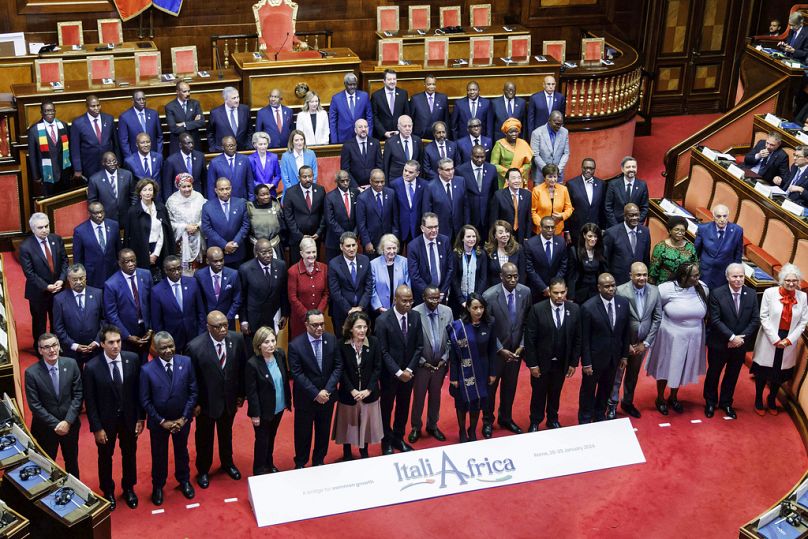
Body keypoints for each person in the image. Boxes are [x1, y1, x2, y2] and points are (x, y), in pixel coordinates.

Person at [82, 325, 144, 510]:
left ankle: (129, 488)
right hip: (105, 423)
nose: (116, 346)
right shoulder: (92, 367)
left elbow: (139, 392)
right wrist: (97, 428)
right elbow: (90, 401)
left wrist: (141, 418)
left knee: (129, 454)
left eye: (118, 341)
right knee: (105, 457)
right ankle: (108, 491)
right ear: (102, 344)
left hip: (129, 420)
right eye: (111, 342)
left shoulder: (132, 359)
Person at [186, 311, 246, 489]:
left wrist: (241, 394)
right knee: (204, 438)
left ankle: (227, 463)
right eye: (217, 326)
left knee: (226, 434)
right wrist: (194, 403)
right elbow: (191, 379)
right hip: (206, 403)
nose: (222, 329)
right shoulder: (195, 347)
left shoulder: (237, 340)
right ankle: (203, 470)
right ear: (208, 327)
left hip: (229, 399)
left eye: (225, 325)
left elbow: (241, 368)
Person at [139, 331, 197, 506]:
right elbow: (145, 400)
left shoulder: (186, 362)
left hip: (182, 420)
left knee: (182, 451)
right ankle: (158, 486)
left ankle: (184, 480)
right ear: (156, 349)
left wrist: (184, 418)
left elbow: (193, 392)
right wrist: (162, 421)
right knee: (159, 456)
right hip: (159, 423)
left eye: (171, 346)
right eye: (163, 347)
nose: (168, 350)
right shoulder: (147, 369)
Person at [645, 262, 709, 415]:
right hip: (670, 336)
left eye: (698, 274)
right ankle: (660, 398)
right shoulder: (666, 289)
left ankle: (673, 397)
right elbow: (654, 309)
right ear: (683, 276)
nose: (697, 278)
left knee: (681, 367)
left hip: (693, 336)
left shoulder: (702, 288)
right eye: (694, 275)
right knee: (666, 367)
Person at [751, 264, 808, 416]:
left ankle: (771, 398)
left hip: (789, 340)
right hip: (770, 338)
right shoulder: (770, 293)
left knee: (779, 373)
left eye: (794, 281)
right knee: (764, 371)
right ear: (782, 280)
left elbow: (803, 322)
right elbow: (763, 317)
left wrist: (789, 340)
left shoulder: (803, 297)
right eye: (788, 280)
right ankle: (758, 399)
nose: (791, 283)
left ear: (798, 281)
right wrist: (775, 339)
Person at [705, 263, 760, 419]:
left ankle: (726, 403)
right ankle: (710, 402)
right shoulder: (717, 293)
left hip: (740, 345)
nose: (738, 279)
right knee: (714, 373)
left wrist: (739, 339)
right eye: (735, 276)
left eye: (741, 276)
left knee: (732, 375)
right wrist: (731, 337)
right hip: (719, 343)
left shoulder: (751, 293)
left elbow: (755, 320)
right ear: (727, 277)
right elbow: (715, 320)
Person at [524, 278, 581, 430]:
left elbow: (577, 338)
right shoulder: (537, 309)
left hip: (561, 362)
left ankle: (552, 419)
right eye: (555, 293)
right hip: (541, 363)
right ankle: (535, 421)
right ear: (549, 292)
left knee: (555, 392)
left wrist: (573, 363)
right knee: (538, 394)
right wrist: (533, 364)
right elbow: (530, 339)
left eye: (562, 292)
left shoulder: (574, 309)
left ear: (566, 291)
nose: (559, 296)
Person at [288, 309, 342, 468]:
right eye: (315, 325)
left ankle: (319, 460)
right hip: (306, 399)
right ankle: (300, 462)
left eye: (322, 324)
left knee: (323, 432)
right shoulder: (295, 345)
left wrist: (327, 390)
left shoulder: (331, 340)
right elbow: (297, 373)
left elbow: (338, 366)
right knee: (303, 434)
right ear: (306, 325)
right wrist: (315, 393)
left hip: (327, 396)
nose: (319, 328)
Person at [482, 262, 531, 435]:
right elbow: (485, 328)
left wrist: (522, 345)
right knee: (490, 389)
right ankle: (487, 421)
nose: (513, 279)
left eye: (516, 276)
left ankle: (506, 418)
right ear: (501, 277)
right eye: (509, 276)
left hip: (515, 351)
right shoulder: (489, 296)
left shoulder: (525, 292)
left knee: (510, 387)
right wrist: (499, 348)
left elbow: (526, 322)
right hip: (496, 352)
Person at [25, 333, 82, 477]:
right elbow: (35, 405)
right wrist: (57, 424)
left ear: (59, 346)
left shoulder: (71, 364)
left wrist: (67, 422)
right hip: (46, 428)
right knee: (46, 465)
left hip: (70, 425)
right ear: (40, 350)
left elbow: (78, 395)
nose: (52, 350)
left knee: (72, 462)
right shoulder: (31, 373)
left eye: (54, 345)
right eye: (47, 347)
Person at [609, 262, 662, 419]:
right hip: (624, 344)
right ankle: (611, 404)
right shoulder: (620, 290)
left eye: (645, 274)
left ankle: (628, 402)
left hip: (642, 344)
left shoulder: (654, 291)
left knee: (633, 375)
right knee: (617, 375)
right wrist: (625, 346)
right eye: (638, 275)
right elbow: (616, 320)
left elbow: (657, 318)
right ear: (630, 275)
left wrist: (646, 343)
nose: (642, 278)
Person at [376, 285, 423, 453]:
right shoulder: (382, 320)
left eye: (411, 300)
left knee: (403, 406)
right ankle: (386, 441)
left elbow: (419, 346)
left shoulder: (416, 317)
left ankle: (398, 437)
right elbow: (383, 351)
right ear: (395, 300)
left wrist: (409, 370)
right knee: (386, 408)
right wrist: (398, 372)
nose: (408, 304)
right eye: (404, 301)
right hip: (390, 375)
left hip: (409, 374)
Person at [579, 273, 630, 423]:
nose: (611, 289)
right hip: (594, 359)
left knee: (606, 388)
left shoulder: (623, 303)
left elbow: (626, 332)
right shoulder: (588, 307)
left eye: (613, 285)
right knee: (588, 390)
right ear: (599, 287)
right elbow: (585, 338)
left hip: (614, 357)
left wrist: (625, 356)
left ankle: (600, 414)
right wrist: (586, 362)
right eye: (607, 286)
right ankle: (585, 417)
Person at [334, 311, 384, 460]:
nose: (362, 330)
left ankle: (364, 451)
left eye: (365, 327)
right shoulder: (341, 344)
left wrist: (369, 389)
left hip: (369, 394)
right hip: (349, 394)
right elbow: (340, 370)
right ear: (350, 329)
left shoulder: (374, 342)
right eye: (358, 327)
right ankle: (347, 452)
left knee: (366, 425)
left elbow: (377, 368)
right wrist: (352, 389)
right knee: (348, 426)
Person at [447, 293, 498, 442]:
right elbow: (454, 355)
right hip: (463, 371)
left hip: (482, 369)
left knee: (477, 402)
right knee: (462, 404)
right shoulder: (459, 327)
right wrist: (454, 377)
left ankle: (473, 430)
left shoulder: (490, 323)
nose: (479, 311)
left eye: (481, 307)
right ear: (468, 308)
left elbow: (492, 349)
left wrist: (493, 372)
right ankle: (462, 431)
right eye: (475, 307)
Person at [409, 286, 452, 443]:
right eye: (431, 298)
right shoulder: (414, 312)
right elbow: (411, 342)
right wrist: (422, 362)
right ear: (423, 297)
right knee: (419, 397)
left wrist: (445, 358)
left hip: (440, 364)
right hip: (422, 366)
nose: (435, 301)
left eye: (437, 298)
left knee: (436, 396)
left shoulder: (447, 311)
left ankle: (432, 425)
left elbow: (450, 338)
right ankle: (416, 427)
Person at [245, 326, 290, 475]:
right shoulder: (253, 363)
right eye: (266, 342)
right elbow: (252, 393)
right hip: (263, 411)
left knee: (272, 437)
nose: (271, 344)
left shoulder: (279, 355)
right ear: (259, 345)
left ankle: (269, 464)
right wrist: (255, 414)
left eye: (273, 340)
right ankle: (258, 470)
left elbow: (284, 380)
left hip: (279, 406)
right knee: (262, 440)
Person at [20, 212, 68, 344]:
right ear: (33, 229)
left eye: (46, 226)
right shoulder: (26, 247)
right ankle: (40, 348)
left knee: (57, 320)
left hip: (58, 289)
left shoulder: (56, 239)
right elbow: (29, 273)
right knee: (40, 323)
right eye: (40, 228)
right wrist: (46, 286)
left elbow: (64, 261)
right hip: (38, 292)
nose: (45, 230)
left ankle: (57, 345)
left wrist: (62, 279)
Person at [103, 249, 153, 361]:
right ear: (120, 263)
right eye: (126, 262)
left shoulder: (146, 275)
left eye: (133, 260)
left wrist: (150, 329)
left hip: (146, 331)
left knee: (145, 362)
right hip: (126, 334)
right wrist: (128, 336)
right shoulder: (111, 284)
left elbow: (152, 303)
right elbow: (111, 315)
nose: (131, 264)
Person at [150, 256, 205, 353]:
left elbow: (201, 311)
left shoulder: (192, 283)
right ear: (166, 271)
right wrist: (164, 341)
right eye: (172, 270)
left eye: (179, 268)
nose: (176, 272)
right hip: (172, 340)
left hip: (194, 335)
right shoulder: (157, 291)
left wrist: (201, 333)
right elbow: (157, 322)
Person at [52, 264, 103, 365]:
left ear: (85, 277)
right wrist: (74, 345)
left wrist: (97, 341)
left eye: (81, 278)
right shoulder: (59, 299)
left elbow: (105, 320)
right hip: (72, 352)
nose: (79, 282)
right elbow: (58, 327)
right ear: (68, 279)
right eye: (75, 279)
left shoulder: (98, 294)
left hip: (95, 348)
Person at [239, 238, 289, 337]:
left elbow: (283, 292)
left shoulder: (281, 265)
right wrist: (243, 320)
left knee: (271, 348)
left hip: (273, 317)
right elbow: (242, 297)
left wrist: (284, 313)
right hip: (254, 319)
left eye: (270, 251)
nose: (268, 255)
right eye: (264, 253)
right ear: (256, 253)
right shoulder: (245, 269)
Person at [123, 178, 174, 273]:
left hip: (160, 248)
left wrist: (156, 253)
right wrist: (147, 254)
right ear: (140, 193)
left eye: (150, 190)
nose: (148, 193)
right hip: (141, 251)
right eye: (144, 190)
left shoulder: (161, 208)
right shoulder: (133, 211)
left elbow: (164, 233)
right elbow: (131, 238)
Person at [328, 232, 372, 336]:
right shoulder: (334, 264)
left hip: (363, 311)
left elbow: (369, 286)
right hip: (342, 312)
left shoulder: (365, 260)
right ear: (341, 247)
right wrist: (349, 309)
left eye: (354, 245)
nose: (351, 249)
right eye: (348, 246)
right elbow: (335, 292)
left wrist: (360, 307)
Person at [200, 178, 250, 268]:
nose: (225, 192)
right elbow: (207, 228)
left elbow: (245, 225)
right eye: (221, 189)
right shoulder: (207, 206)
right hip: (217, 252)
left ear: (231, 188)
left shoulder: (241, 203)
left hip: (237, 251)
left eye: (227, 188)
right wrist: (224, 245)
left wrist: (235, 243)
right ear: (216, 190)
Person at [283, 165, 326, 266]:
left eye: (310, 176)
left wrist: (319, 232)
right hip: (297, 238)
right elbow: (288, 217)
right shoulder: (290, 192)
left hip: (315, 237)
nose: (308, 179)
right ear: (299, 177)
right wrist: (300, 236)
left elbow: (324, 213)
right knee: (297, 266)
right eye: (304, 177)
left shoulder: (320, 190)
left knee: (314, 265)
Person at [694, 204, 745, 290]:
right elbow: (695, 252)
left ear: (728, 216)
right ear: (713, 217)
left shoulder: (737, 230)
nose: (722, 219)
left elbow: (738, 255)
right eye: (718, 216)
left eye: (724, 216)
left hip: (723, 274)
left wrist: (735, 274)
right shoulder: (703, 229)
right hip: (705, 272)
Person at [27, 100, 72, 196]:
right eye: (46, 111)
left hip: (63, 173)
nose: (50, 113)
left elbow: (69, 149)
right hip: (46, 174)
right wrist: (36, 176)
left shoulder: (63, 126)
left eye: (52, 110)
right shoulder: (34, 130)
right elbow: (33, 156)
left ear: (55, 111)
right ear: (41, 112)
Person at [72, 201, 121, 289]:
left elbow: (119, 250)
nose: (99, 215)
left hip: (113, 273)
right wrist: (81, 277)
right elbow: (78, 258)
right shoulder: (80, 231)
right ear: (89, 214)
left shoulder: (113, 225)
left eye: (101, 212)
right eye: (96, 213)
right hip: (93, 276)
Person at [407, 213, 454, 304]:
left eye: (436, 226)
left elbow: (450, 269)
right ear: (422, 228)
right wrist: (431, 294)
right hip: (423, 297)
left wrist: (442, 291)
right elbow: (415, 275)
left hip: (441, 295)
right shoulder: (413, 246)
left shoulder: (445, 241)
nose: (434, 230)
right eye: (430, 227)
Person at [288, 237, 329, 340]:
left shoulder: (324, 268)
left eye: (314, 252)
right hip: (300, 320)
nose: (312, 255)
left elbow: (326, 293)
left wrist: (318, 314)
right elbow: (292, 297)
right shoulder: (293, 271)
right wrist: (308, 316)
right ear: (302, 253)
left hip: (319, 320)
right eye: (308, 252)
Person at [166, 173, 206, 276]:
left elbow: (206, 217)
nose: (187, 189)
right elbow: (169, 223)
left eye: (189, 186)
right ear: (178, 187)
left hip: (198, 239)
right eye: (184, 186)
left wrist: (197, 226)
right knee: (185, 271)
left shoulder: (199, 197)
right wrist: (184, 227)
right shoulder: (172, 201)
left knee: (199, 270)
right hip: (181, 242)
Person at [70, 95, 117, 180]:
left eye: (98, 105)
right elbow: (75, 149)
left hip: (109, 163)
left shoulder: (109, 119)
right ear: (87, 107)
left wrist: (118, 161)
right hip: (89, 165)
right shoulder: (78, 123)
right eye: (93, 106)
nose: (96, 108)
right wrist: (77, 169)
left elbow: (115, 143)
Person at [603, 203, 651, 285]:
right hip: (618, 280)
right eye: (631, 215)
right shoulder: (611, 233)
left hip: (638, 281)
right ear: (625, 216)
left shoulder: (645, 232)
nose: (635, 218)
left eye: (637, 215)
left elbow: (646, 257)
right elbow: (605, 260)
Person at [423, 158, 469, 241]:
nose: (451, 172)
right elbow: (427, 212)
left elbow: (466, 206)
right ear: (439, 171)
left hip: (459, 230)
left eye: (452, 169)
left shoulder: (461, 181)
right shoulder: (430, 187)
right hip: (441, 231)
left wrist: (466, 227)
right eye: (447, 170)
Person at [195, 246, 241, 329]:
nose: (219, 263)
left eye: (221, 260)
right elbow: (199, 301)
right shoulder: (199, 275)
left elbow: (237, 299)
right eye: (215, 261)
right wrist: (205, 320)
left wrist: (227, 318)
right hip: (208, 322)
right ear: (207, 261)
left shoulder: (233, 274)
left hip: (228, 321)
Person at [524, 216, 567, 302]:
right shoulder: (530, 244)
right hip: (537, 289)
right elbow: (529, 268)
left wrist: (553, 286)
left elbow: (563, 265)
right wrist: (544, 288)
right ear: (540, 228)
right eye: (547, 227)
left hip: (556, 290)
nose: (550, 230)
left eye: (552, 227)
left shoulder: (561, 242)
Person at [356, 169, 396, 258]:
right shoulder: (362, 198)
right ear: (370, 181)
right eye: (377, 182)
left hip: (389, 241)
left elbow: (395, 219)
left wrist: (394, 238)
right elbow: (361, 223)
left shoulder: (391, 193)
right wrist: (367, 242)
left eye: (382, 182)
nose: (380, 184)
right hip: (372, 242)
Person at [458, 145, 498, 235]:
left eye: (482, 157)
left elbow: (495, 192)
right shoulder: (461, 170)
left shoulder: (492, 169)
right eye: (477, 157)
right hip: (470, 214)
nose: (480, 160)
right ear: (471, 156)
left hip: (487, 215)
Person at [87, 152, 136, 225]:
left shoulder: (127, 175)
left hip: (126, 217)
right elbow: (92, 201)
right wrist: (99, 215)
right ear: (103, 163)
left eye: (114, 161)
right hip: (107, 218)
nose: (112, 164)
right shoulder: (95, 180)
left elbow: (134, 195)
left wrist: (133, 211)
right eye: (109, 162)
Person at [450, 225, 489, 314]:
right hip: (458, 299)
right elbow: (454, 279)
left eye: (474, 236)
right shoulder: (456, 254)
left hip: (476, 300)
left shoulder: (481, 254)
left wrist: (476, 298)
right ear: (462, 238)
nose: (471, 239)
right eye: (468, 236)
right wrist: (461, 300)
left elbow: (483, 278)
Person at [649, 216, 698, 284]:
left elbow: (695, 267)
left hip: (682, 285)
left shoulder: (690, 247)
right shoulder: (660, 247)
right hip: (663, 284)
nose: (680, 233)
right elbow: (653, 271)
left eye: (682, 230)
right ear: (670, 230)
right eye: (676, 229)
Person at [489, 168, 532, 244]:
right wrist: (495, 235)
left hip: (521, 235)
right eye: (514, 178)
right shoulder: (499, 195)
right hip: (504, 234)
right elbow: (494, 218)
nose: (517, 180)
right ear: (507, 181)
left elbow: (528, 218)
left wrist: (527, 236)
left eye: (519, 178)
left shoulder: (527, 195)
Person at [566, 158, 606, 240]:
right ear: (581, 167)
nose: (588, 170)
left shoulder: (601, 184)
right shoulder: (571, 184)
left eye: (591, 168)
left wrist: (602, 228)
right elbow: (567, 208)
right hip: (576, 230)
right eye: (585, 168)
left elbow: (602, 208)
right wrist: (567, 231)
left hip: (595, 230)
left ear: (594, 169)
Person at [206, 135, 255, 201]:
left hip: (242, 199)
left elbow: (250, 181)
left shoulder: (244, 159)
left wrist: (251, 200)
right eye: (228, 146)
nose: (231, 147)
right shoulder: (215, 162)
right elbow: (211, 185)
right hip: (223, 200)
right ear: (222, 147)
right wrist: (213, 203)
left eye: (233, 145)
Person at [370, 234, 410, 315]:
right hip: (380, 310)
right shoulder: (374, 264)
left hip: (400, 308)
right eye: (388, 248)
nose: (392, 251)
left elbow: (408, 285)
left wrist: (404, 303)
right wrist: (378, 306)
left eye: (394, 248)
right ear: (382, 249)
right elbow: (371, 288)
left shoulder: (404, 262)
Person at [604, 156, 649, 226]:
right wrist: (616, 226)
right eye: (628, 167)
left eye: (634, 167)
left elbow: (645, 208)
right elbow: (608, 207)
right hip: (615, 225)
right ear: (622, 169)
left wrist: (637, 223)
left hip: (634, 225)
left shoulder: (642, 185)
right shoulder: (613, 184)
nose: (631, 169)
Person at [330, 72, 373, 144]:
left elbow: (369, 118)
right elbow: (332, 121)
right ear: (345, 84)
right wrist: (334, 141)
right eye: (350, 84)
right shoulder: (336, 99)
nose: (352, 87)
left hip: (361, 137)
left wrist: (369, 136)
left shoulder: (364, 96)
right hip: (343, 138)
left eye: (354, 84)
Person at [324, 170, 358, 261]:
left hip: (352, 240)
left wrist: (353, 234)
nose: (345, 183)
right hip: (334, 240)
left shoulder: (356, 193)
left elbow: (360, 216)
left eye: (347, 180)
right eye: (342, 181)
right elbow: (330, 220)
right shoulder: (329, 197)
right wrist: (345, 236)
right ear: (337, 182)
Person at [390, 160, 426, 245]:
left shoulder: (424, 185)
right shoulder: (394, 185)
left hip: (417, 228)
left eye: (410, 172)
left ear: (417, 174)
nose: (406, 173)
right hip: (400, 228)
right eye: (405, 170)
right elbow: (393, 209)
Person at [118, 90, 163, 159]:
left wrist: (159, 155)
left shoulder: (154, 114)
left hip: (153, 156)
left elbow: (159, 137)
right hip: (135, 157)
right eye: (139, 99)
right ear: (133, 100)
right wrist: (130, 160)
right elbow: (124, 142)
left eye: (144, 99)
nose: (142, 102)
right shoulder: (125, 117)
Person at [531, 164, 573, 236]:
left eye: (555, 176)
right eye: (550, 177)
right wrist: (543, 224)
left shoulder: (563, 189)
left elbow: (569, 209)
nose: (553, 179)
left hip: (557, 230)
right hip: (541, 230)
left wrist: (562, 216)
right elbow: (533, 212)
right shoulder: (537, 190)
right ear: (544, 177)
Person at [340, 118, 383, 188]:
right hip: (355, 187)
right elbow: (345, 170)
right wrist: (356, 187)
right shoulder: (347, 146)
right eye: (360, 127)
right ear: (355, 130)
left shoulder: (375, 143)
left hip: (373, 186)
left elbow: (379, 165)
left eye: (365, 127)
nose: (363, 129)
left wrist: (373, 184)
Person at [162, 132, 206, 199]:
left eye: (192, 143)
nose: (191, 145)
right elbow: (167, 184)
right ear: (180, 145)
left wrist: (205, 197)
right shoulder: (171, 160)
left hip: (197, 197)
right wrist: (169, 201)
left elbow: (204, 179)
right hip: (179, 198)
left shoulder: (200, 156)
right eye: (188, 143)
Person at [165, 81, 205, 154]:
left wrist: (184, 124)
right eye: (184, 91)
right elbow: (173, 128)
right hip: (178, 144)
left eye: (189, 91)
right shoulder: (170, 107)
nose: (188, 94)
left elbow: (201, 122)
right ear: (177, 92)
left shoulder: (195, 104)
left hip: (194, 143)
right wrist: (193, 123)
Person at [207, 86, 252, 151]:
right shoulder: (215, 113)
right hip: (223, 151)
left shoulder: (245, 109)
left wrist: (249, 145)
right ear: (226, 99)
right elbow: (210, 133)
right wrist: (214, 148)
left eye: (238, 97)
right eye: (234, 98)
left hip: (243, 149)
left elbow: (250, 130)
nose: (237, 100)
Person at [491, 119, 533, 188]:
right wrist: (509, 173)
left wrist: (519, 172)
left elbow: (528, 163)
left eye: (516, 131)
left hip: (519, 178)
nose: (514, 134)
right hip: (504, 179)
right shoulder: (499, 144)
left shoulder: (523, 143)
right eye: (511, 132)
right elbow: (494, 164)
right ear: (506, 133)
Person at [530, 111, 570, 183]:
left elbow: (566, 153)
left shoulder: (564, 132)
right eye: (557, 124)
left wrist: (558, 169)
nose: (559, 126)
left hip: (557, 175)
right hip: (541, 174)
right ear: (549, 121)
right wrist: (546, 170)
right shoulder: (537, 133)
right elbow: (535, 154)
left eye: (561, 124)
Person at [247, 183, 284, 259]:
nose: (266, 197)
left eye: (267, 194)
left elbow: (283, 225)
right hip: (256, 244)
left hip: (274, 244)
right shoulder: (250, 207)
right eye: (262, 195)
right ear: (256, 196)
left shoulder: (276, 205)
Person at [484, 220, 526, 287]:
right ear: (494, 235)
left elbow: (522, 273)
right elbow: (486, 275)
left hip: (514, 289)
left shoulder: (518, 249)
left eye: (507, 232)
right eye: (500, 233)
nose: (505, 235)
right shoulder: (488, 251)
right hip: (494, 291)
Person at [371, 68, 409, 139]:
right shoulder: (376, 96)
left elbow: (406, 114)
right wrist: (384, 132)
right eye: (389, 79)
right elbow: (374, 117)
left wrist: (400, 130)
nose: (392, 81)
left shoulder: (403, 94)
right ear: (384, 81)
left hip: (400, 134)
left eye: (394, 79)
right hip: (382, 136)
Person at [382, 115, 422, 181]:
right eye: (405, 126)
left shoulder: (417, 140)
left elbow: (420, 162)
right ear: (398, 127)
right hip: (395, 180)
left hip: (413, 180)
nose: (407, 128)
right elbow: (386, 165)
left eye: (409, 126)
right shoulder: (390, 142)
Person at [410, 74, 449, 139]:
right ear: (424, 84)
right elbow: (411, 119)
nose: (431, 87)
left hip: (438, 136)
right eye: (429, 84)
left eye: (433, 84)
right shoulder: (415, 99)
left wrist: (447, 137)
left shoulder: (443, 98)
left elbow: (446, 119)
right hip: (420, 136)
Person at [248, 132, 282, 197]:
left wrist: (272, 184)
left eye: (265, 144)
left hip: (271, 192)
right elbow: (250, 178)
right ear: (255, 145)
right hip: (257, 193)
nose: (263, 146)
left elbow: (278, 175)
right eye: (260, 144)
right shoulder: (250, 159)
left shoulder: (273, 157)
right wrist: (261, 186)